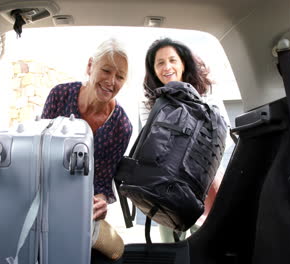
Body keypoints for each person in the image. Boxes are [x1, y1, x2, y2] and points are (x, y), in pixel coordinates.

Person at [141, 37, 229, 242]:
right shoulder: (149, 102)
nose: (167, 67)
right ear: (153, 70)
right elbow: (151, 144)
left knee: (205, 240)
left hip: (205, 177)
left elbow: (221, 138)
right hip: (165, 181)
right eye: (160, 63)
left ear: (183, 63)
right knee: (171, 243)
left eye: (172, 60)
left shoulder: (208, 96)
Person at [41, 38, 133, 222]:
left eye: (120, 77)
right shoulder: (60, 95)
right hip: (45, 190)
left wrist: (100, 202)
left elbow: (102, 181)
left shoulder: (121, 126)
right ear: (90, 66)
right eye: (106, 70)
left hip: (81, 204)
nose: (111, 81)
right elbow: (39, 149)